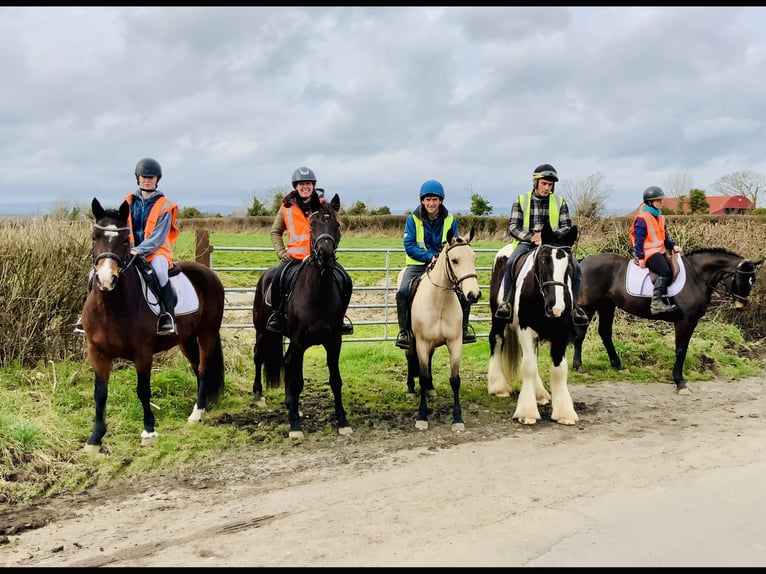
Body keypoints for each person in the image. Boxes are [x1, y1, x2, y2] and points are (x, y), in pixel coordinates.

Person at [74, 157, 179, 336]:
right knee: (94, 273)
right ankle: (86, 317)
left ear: (157, 179)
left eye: (151, 177)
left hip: (157, 251)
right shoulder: (129, 201)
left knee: (160, 271)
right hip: (128, 249)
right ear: (137, 178)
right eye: (143, 177)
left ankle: (166, 315)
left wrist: (139, 250)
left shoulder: (166, 206)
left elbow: (158, 237)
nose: (147, 180)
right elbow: (121, 228)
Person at [494, 163, 589, 326]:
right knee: (510, 263)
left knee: (577, 268)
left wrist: (551, 237)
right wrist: (532, 237)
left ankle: (575, 308)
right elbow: (512, 226)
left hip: (552, 245)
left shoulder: (560, 201)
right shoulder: (521, 200)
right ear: (536, 182)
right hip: (527, 243)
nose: (547, 188)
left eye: (550, 184)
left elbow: (566, 225)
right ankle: (506, 303)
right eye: (544, 183)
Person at [265, 166, 353, 335]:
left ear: (313, 186)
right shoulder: (286, 208)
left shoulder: (323, 206)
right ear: (295, 187)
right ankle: (277, 316)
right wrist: (281, 252)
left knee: (346, 280)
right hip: (295, 258)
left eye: (308, 183)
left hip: (321, 257)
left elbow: (333, 225)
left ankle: (340, 318)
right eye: (301, 184)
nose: (305, 187)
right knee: (277, 279)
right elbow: (275, 231)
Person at [395, 179, 476, 350]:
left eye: (434, 199)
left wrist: (441, 259)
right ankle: (404, 332)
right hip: (417, 265)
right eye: (427, 199)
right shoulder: (413, 220)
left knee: (463, 291)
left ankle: (464, 328)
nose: (431, 203)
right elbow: (409, 246)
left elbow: (455, 244)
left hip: (444, 265)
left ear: (441, 201)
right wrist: (429, 256)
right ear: (422, 201)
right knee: (402, 292)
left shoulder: (450, 220)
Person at [630, 185, 682, 314]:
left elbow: (664, 238)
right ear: (649, 202)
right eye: (659, 200)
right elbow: (638, 240)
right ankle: (656, 303)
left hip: (660, 251)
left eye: (661, 200)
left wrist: (673, 245)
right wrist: (641, 257)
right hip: (648, 254)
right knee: (665, 271)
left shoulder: (661, 218)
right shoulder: (642, 218)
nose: (661, 202)